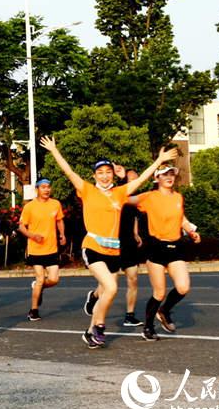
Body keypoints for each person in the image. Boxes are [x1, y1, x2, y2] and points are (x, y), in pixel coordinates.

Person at [39, 135, 177, 349]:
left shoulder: (120, 193)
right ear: (94, 175)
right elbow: (69, 172)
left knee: (105, 292)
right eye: (100, 173)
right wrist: (54, 151)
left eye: (108, 172)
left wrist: (159, 161)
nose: (104, 176)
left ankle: (89, 331)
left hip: (113, 250)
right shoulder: (87, 190)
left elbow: (140, 181)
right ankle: (99, 327)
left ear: (113, 174)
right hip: (93, 247)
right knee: (111, 287)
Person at [128, 164, 201, 341]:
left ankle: (164, 310)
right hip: (156, 247)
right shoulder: (149, 197)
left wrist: (191, 230)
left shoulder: (178, 197)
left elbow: (181, 217)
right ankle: (148, 326)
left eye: (171, 174)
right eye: (164, 174)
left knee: (183, 287)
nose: (169, 177)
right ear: (157, 178)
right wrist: (125, 181)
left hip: (176, 246)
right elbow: (124, 199)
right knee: (159, 292)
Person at [17, 179, 66, 321]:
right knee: (40, 279)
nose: (46, 190)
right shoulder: (30, 207)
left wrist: (62, 234)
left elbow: (59, 220)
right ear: (37, 189)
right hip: (35, 249)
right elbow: (21, 226)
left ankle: (40, 287)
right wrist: (33, 236)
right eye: (43, 187)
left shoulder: (55, 204)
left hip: (51, 248)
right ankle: (33, 310)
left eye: (48, 187)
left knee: (54, 279)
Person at [119, 169, 146, 327]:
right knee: (109, 283)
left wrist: (136, 233)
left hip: (129, 242)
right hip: (114, 243)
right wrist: (122, 178)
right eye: (133, 179)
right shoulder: (118, 194)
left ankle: (129, 315)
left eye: (138, 179)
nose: (136, 182)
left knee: (133, 278)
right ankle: (95, 297)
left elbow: (135, 217)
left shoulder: (136, 199)